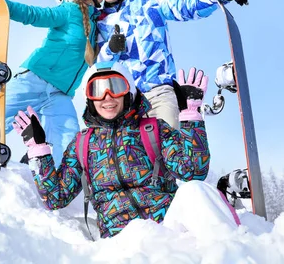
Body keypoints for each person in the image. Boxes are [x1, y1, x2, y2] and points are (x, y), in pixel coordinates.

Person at [13, 61, 240, 239]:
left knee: (195, 192)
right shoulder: (83, 144)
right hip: (122, 245)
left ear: (128, 91)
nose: (107, 97)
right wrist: (39, 151)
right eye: (97, 90)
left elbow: (193, 172)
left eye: (116, 86)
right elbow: (56, 198)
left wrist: (190, 117)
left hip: (169, 233)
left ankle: (232, 251)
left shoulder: (153, 130)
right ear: (89, 98)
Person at [83, 0, 248, 131]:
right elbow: (97, 65)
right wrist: (111, 50)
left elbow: (184, 5)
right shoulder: (99, 20)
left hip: (158, 92)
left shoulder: (149, 1)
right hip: (123, 101)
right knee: (131, 157)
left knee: (168, 148)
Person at [0, 0, 102, 163]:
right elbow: (33, 14)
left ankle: (55, 180)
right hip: (34, 81)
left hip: (60, 94)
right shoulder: (69, 11)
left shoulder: (96, 23)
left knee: (68, 143)